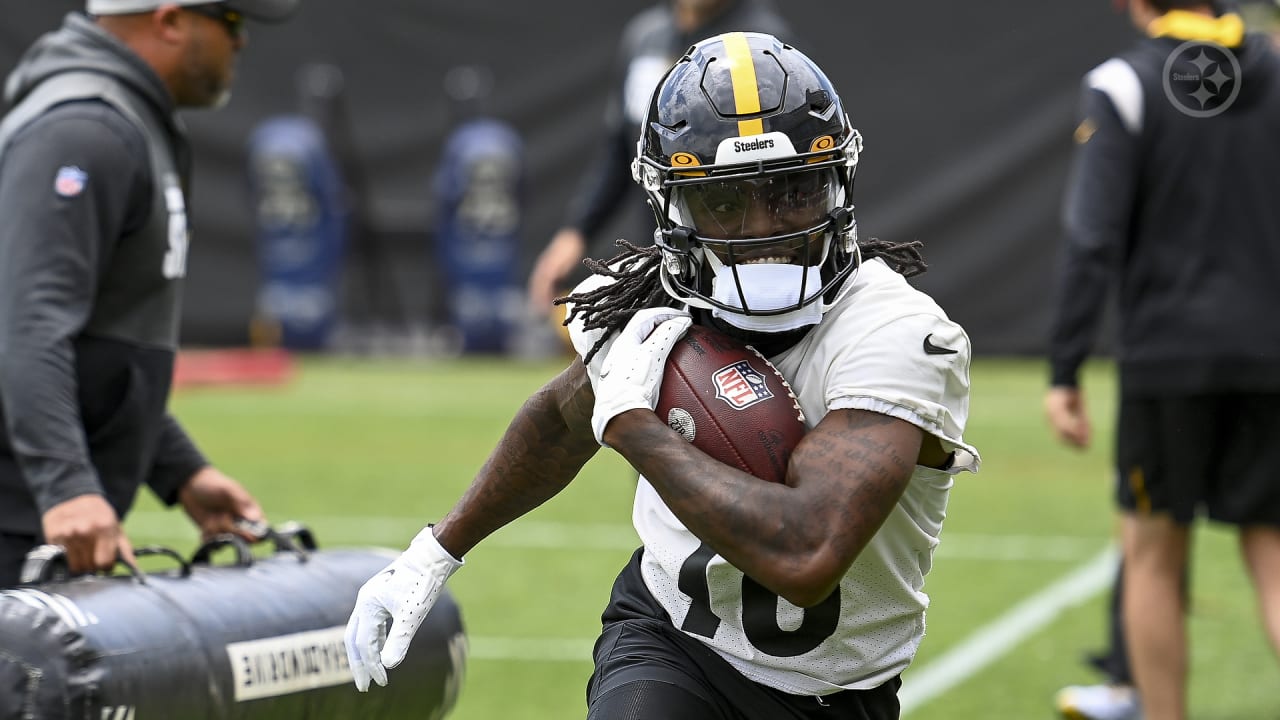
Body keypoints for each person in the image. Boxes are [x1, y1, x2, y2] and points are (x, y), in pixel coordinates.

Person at [347, 32, 980, 718]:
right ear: (671, 206)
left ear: (838, 182)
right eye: (725, 201)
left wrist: (635, 430)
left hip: (835, 694)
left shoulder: (895, 333)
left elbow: (809, 553)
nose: (762, 227)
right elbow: (559, 422)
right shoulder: (650, 300)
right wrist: (433, 552)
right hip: (674, 645)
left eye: (792, 191)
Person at [0, 0, 298, 586]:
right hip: (21, 514)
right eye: (230, 22)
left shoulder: (128, 121)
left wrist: (177, 469)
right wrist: (67, 487)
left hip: (33, 513)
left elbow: (105, 350)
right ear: (169, 20)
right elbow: (27, 325)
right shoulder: (84, 128)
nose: (239, 42)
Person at [1045, 0, 1280, 717]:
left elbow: (1092, 237)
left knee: (1151, 556)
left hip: (1167, 358)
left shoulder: (1122, 83)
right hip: (1271, 352)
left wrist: (1066, 367)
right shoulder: (1277, 67)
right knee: (1273, 555)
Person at [525, 0, 792, 321]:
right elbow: (623, 147)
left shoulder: (761, 42)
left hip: (733, 246)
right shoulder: (645, 37)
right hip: (662, 243)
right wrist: (576, 231)